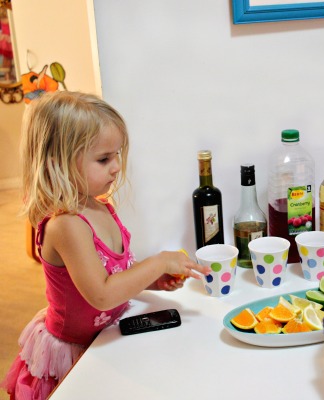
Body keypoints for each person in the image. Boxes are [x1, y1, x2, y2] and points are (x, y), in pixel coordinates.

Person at [0, 91, 210, 400]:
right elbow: (101, 294)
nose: (116, 167)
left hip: (106, 337)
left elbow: (111, 275)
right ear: (59, 162)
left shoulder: (99, 206)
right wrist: (159, 262)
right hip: (75, 352)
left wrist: (149, 280)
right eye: (103, 159)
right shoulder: (66, 224)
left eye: (117, 155)